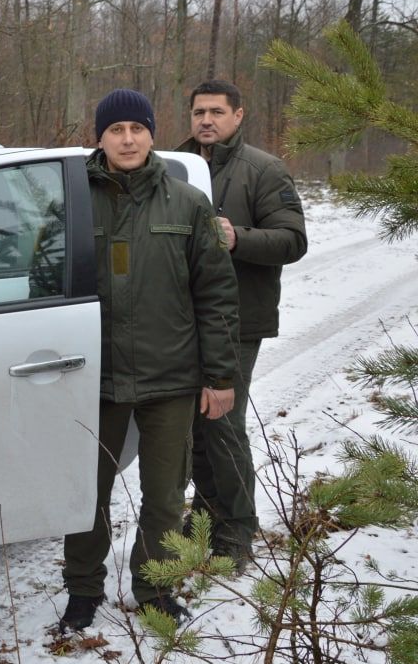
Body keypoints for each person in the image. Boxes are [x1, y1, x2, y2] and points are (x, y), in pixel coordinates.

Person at [60, 88, 239, 631]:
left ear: (152, 133)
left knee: (164, 495)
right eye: (117, 130)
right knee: (85, 493)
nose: (128, 139)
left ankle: (155, 590)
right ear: (100, 136)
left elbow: (216, 294)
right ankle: (82, 590)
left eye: (137, 128)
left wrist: (220, 376)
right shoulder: (73, 199)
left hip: (170, 378)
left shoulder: (187, 203)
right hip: (95, 378)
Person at [176, 79, 307, 567]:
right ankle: (205, 517)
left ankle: (236, 533)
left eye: (215, 111)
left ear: (238, 115)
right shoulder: (176, 166)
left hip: (237, 319)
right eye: (198, 112)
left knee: (222, 424)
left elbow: (293, 240)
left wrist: (239, 239)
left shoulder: (263, 170)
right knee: (189, 427)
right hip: (180, 318)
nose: (205, 120)